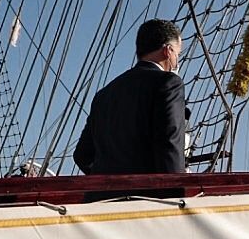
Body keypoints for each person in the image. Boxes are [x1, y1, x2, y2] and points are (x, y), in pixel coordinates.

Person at [73, 19, 187, 175]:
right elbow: (169, 143)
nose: (177, 60)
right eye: (177, 53)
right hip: (148, 196)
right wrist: (178, 191)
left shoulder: (104, 94)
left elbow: (82, 155)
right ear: (168, 51)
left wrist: (107, 182)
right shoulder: (168, 83)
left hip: (101, 197)